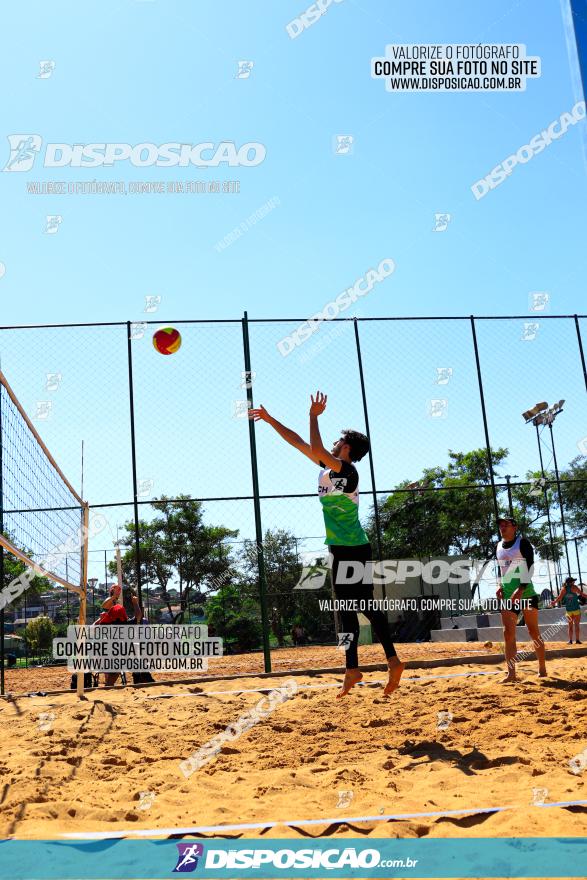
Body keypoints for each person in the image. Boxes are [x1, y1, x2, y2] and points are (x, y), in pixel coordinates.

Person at [250, 390, 404, 697]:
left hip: (354, 549)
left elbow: (316, 445)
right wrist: (269, 420)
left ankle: (392, 660)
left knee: (363, 607)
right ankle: (354, 668)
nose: (332, 444)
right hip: (340, 548)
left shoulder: (347, 471)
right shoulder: (329, 469)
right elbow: (299, 443)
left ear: (344, 448)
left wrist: (313, 416)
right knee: (348, 609)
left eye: (338, 441)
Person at [495, 514, 546, 683]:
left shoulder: (522, 543)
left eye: (506, 525)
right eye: (501, 525)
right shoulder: (498, 546)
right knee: (508, 634)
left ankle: (542, 668)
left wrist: (521, 588)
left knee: (533, 632)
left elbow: (530, 566)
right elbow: (501, 570)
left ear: (514, 527)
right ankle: (511, 674)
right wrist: (500, 586)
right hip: (508, 597)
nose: (503, 527)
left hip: (527, 594)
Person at [552, 576, 587, 644]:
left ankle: (570, 641)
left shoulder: (564, 589)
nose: (574, 582)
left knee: (570, 626)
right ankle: (577, 640)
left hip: (569, 610)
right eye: (573, 581)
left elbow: (559, 598)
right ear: (571, 582)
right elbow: (582, 594)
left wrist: (554, 602)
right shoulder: (574, 587)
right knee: (576, 625)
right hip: (576, 609)